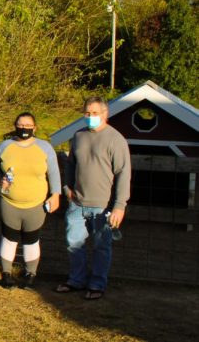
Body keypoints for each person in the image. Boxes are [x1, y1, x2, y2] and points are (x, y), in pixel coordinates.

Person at [56, 96, 131, 300]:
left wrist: (119, 206)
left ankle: (97, 284)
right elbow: (70, 164)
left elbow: (123, 173)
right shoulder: (78, 136)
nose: (90, 117)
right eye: (87, 113)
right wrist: (67, 188)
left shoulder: (115, 139)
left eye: (95, 113)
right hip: (77, 203)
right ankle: (76, 280)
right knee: (74, 243)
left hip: (103, 206)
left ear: (105, 114)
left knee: (101, 247)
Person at [0, 112, 61, 288]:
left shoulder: (45, 148)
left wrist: (56, 194)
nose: (24, 128)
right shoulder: (5, 146)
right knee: (9, 237)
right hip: (9, 202)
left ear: (35, 127)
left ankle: (30, 274)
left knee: (31, 239)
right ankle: (6, 273)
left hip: (36, 204)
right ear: (15, 126)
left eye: (28, 125)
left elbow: (54, 172)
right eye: (20, 125)